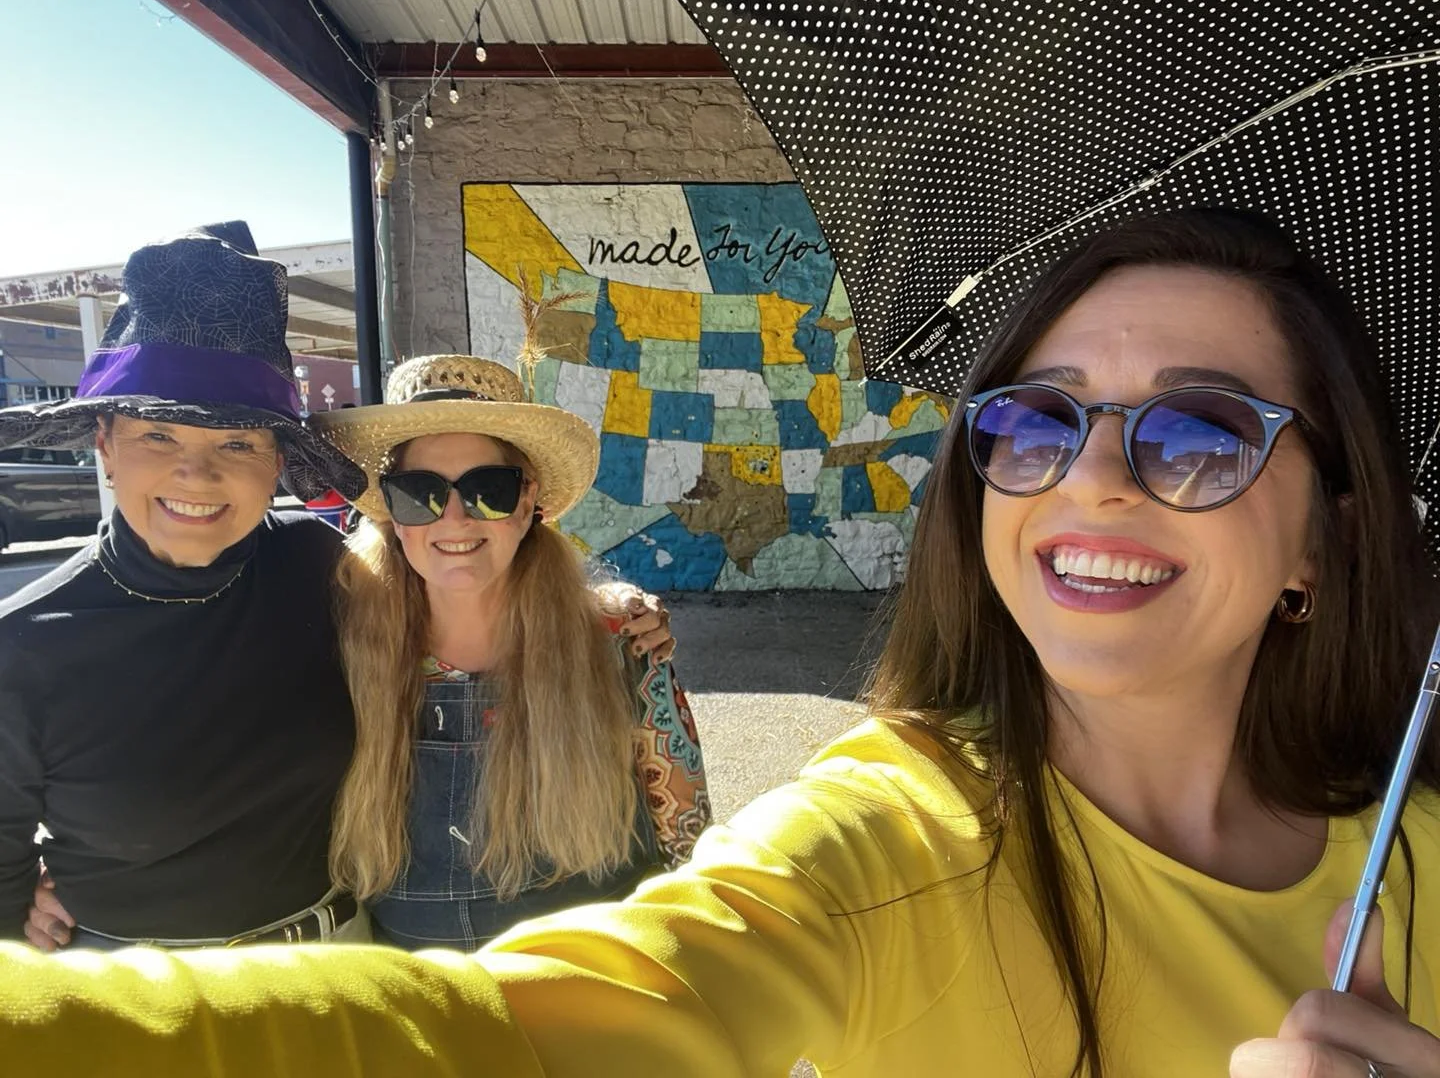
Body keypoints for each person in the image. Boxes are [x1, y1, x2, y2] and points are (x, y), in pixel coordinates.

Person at [3, 209, 1438, 1078]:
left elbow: (673, 836)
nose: (1098, 478)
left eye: (1197, 432)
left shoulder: (1417, 869)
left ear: (1327, 531)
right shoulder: (890, 838)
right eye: (1038, 421)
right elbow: (522, 1022)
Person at [0, 223, 673, 952]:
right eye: (158, 435)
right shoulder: (24, 644)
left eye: (238, 441)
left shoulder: (320, 571)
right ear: (104, 441)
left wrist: (612, 609)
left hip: (339, 969)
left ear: (277, 461)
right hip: (138, 995)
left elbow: (472, 586)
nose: (197, 474)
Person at [314, 354, 709, 948]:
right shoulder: (335, 650)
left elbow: (689, 846)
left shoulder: (621, 644)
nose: (453, 517)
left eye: (487, 491)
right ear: (392, 516)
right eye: (418, 493)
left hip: (589, 992)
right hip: (418, 1004)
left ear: (528, 503)